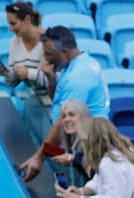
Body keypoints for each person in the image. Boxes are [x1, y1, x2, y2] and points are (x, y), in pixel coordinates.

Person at [18, 26, 110, 181]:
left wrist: (39, 158)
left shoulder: (77, 78)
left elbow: (64, 120)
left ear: (65, 52)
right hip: (70, 141)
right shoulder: (75, 64)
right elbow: (58, 100)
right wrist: (50, 78)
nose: (46, 59)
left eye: (49, 54)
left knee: (80, 193)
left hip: (86, 149)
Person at [0, 2, 49, 96]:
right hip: (31, 100)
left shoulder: (49, 41)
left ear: (27, 19)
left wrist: (28, 73)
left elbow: (54, 80)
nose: (10, 28)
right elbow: (12, 82)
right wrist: (5, 73)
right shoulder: (14, 42)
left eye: (13, 23)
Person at [52, 99, 92, 172]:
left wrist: (73, 159)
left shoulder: (95, 138)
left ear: (83, 117)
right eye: (64, 116)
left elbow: (96, 166)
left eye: (71, 115)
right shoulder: (72, 140)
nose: (66, 120)